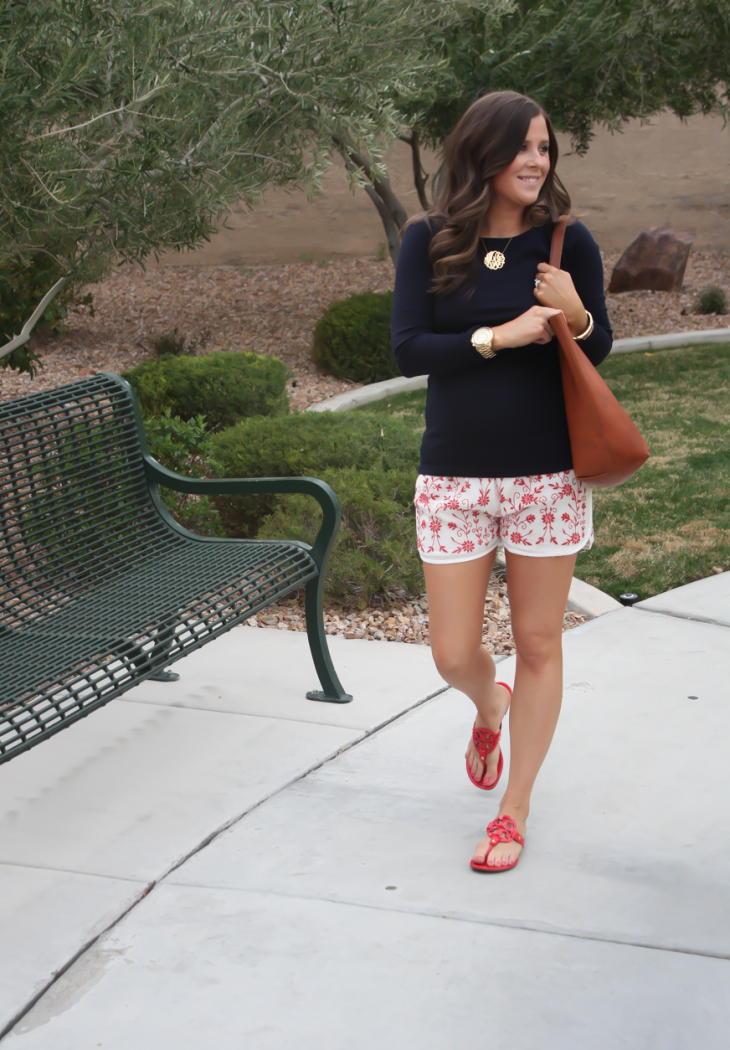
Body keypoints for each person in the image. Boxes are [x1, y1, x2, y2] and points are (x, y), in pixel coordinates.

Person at [391, 90, 612, 872]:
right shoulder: (429, 241)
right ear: (480, 155)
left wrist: (575, 314)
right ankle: (490, 704)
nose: (535, 161)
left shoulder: (565, 241)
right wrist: (498, 335)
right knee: (452, 653)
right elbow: (409, 347)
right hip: (453, 475)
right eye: (521, 147)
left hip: (546, 474)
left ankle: (513, 811)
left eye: (545, 148)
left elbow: (600, 344)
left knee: (538, 640)